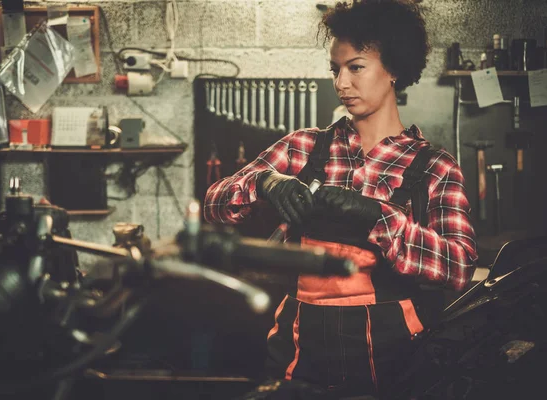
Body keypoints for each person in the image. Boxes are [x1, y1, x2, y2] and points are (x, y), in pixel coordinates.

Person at [204, 0, 478, 398]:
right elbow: (214, 202)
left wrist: (378, 217)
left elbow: (459, 267)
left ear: (394, 69)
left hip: (395, 359)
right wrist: (264, 181)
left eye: (356, 67)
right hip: (299, 350)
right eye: (336, 69)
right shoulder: (304, 146)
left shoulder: (435, 166)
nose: (341, 83)